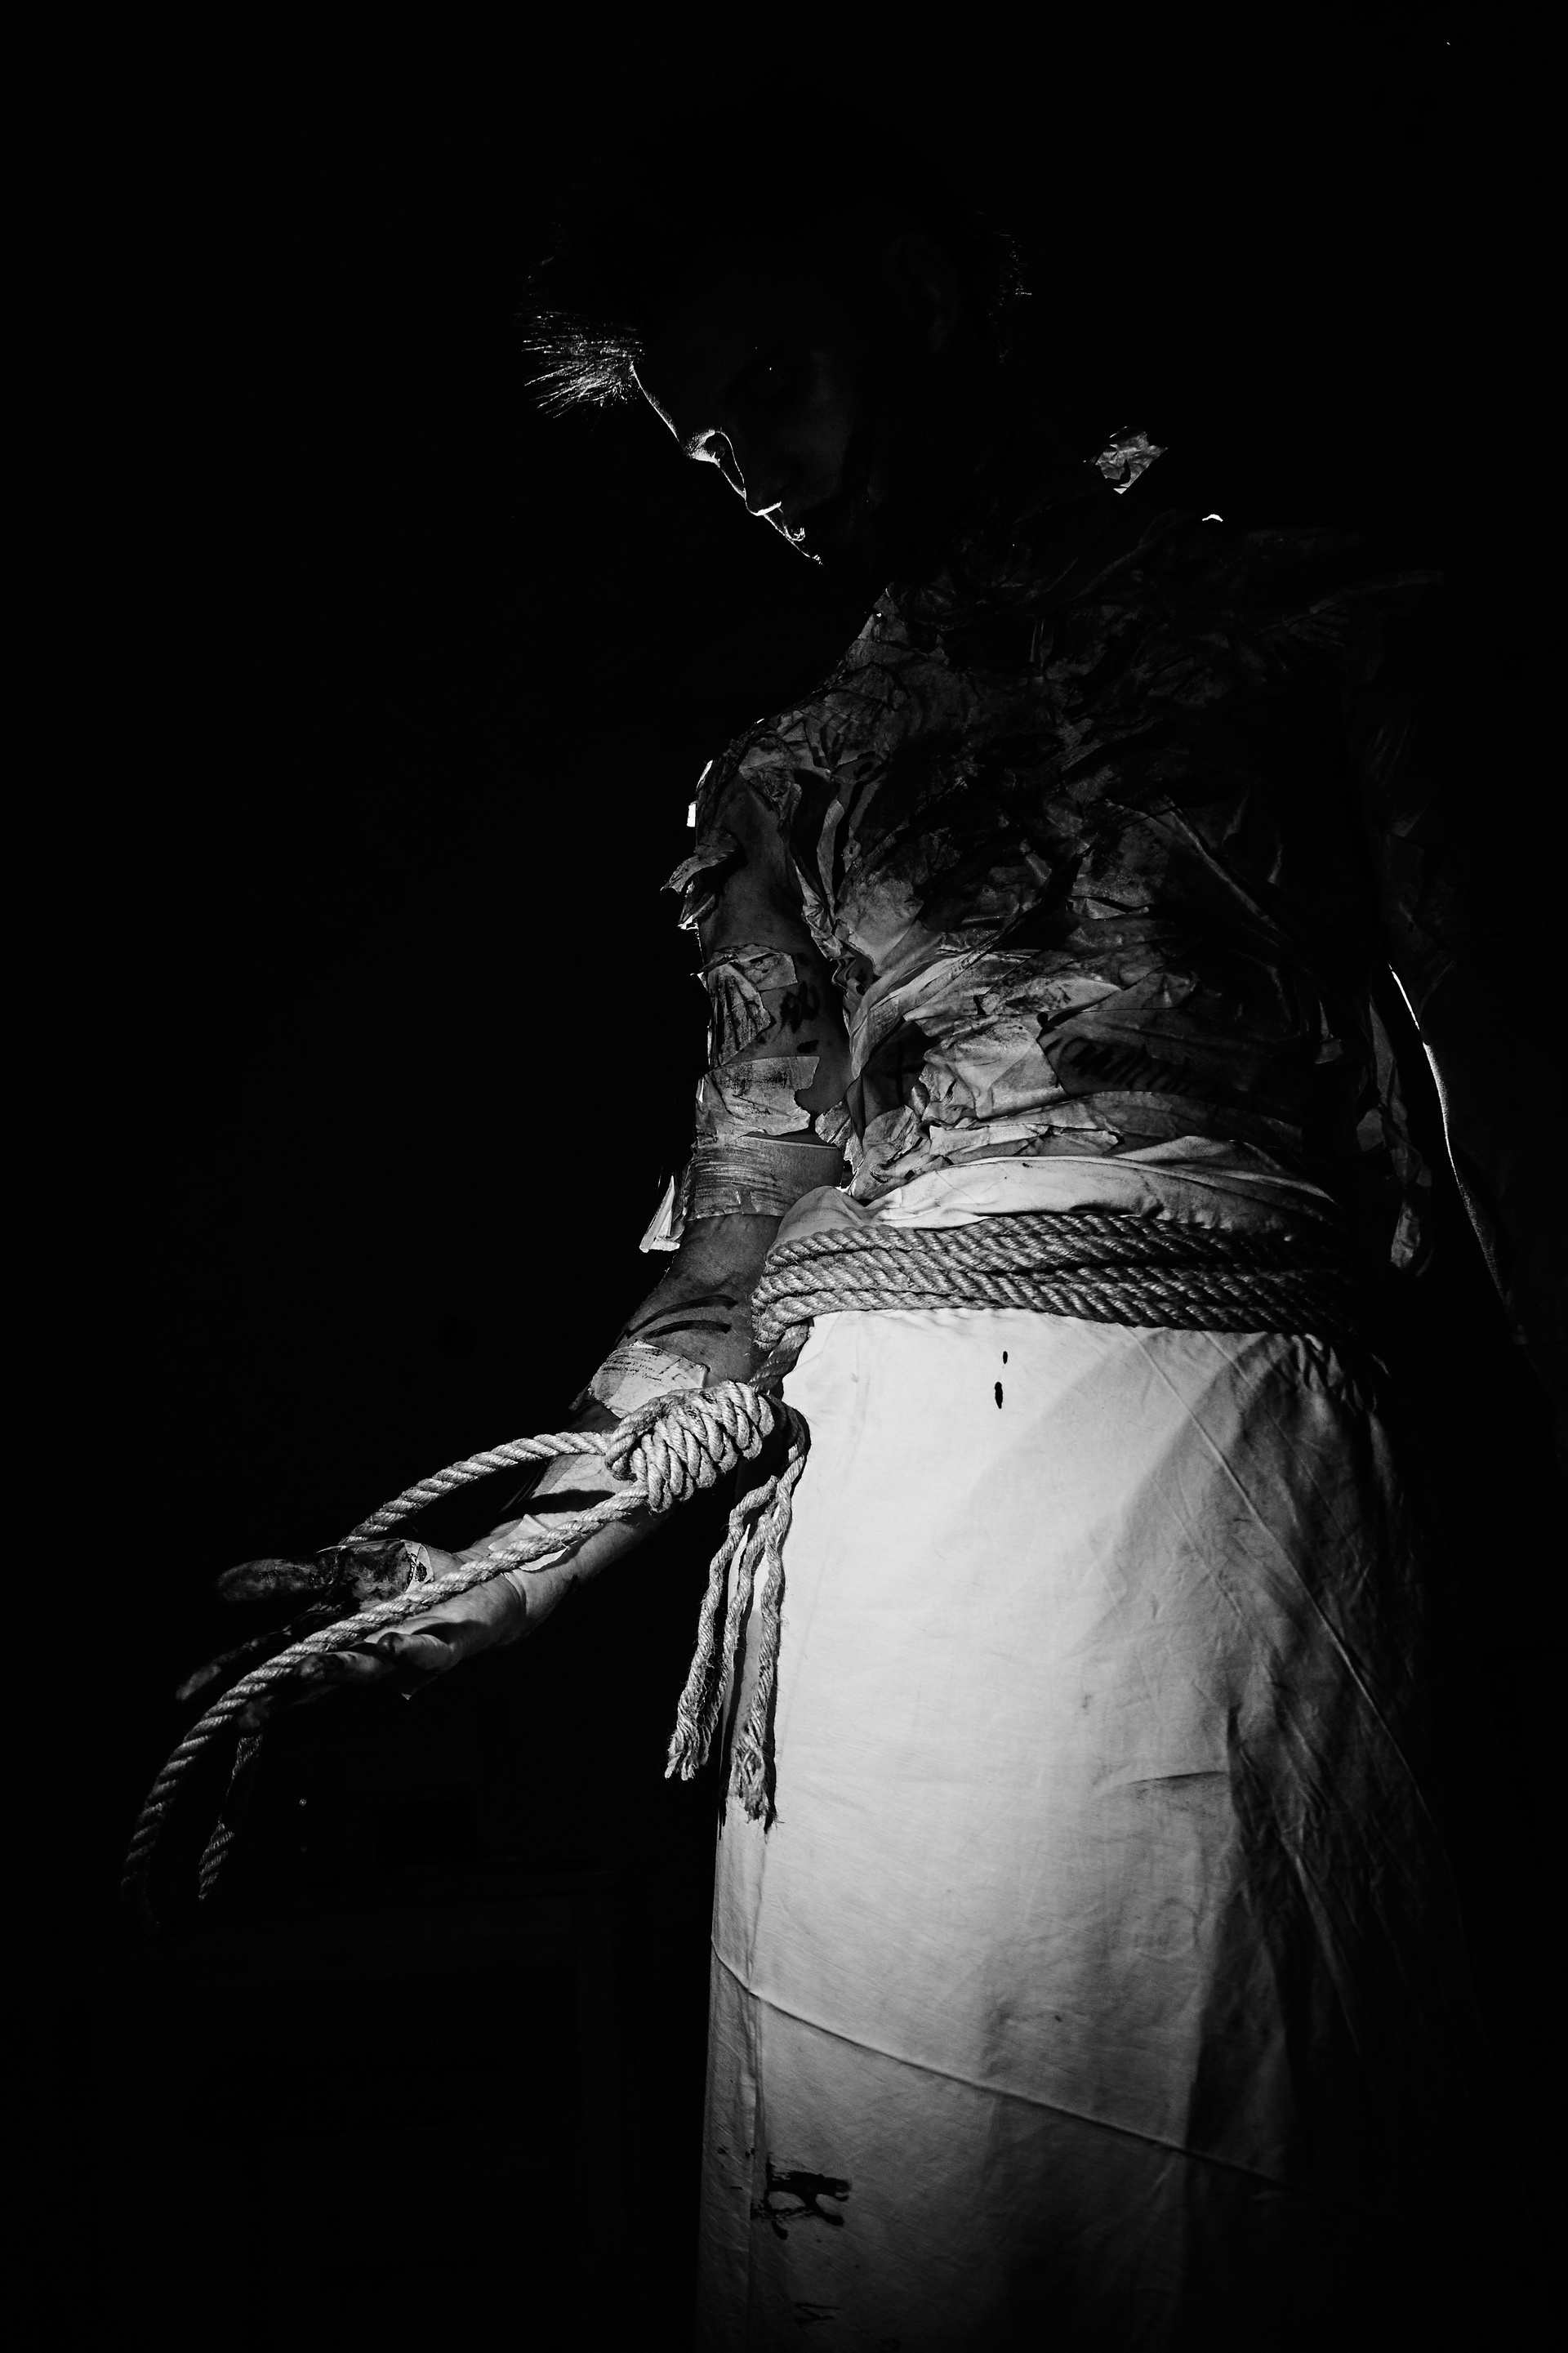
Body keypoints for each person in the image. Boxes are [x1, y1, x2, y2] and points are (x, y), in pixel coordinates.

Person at [253, 83, 1557, 2350]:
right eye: (704, 443)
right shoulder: (788, 779)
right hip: (881, 1548)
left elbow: (1522, 1112)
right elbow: (740, 1239)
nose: (753, 467)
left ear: (928, 296)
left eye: (778, 383)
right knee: (920, 2205)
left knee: (1246, 2144)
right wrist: (514, 1557)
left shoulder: (1325, 632)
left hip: (1221, 1475)